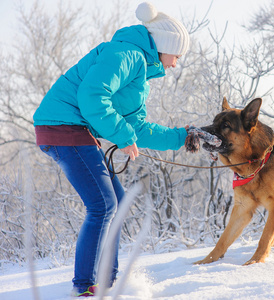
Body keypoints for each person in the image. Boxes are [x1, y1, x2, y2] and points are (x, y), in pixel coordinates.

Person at [33, 2, 192, 297]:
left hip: (74, 130)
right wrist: (121, 135)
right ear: (166, 45)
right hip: (63, 126)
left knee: (116, 203)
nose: (175, 63)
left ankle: (107, 279)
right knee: (104, 205)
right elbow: (92, 96)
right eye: (177, 55)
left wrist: (184, 137)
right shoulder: (125, 53)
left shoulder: (139, 71)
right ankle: (85, 286)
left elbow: (139, 128)